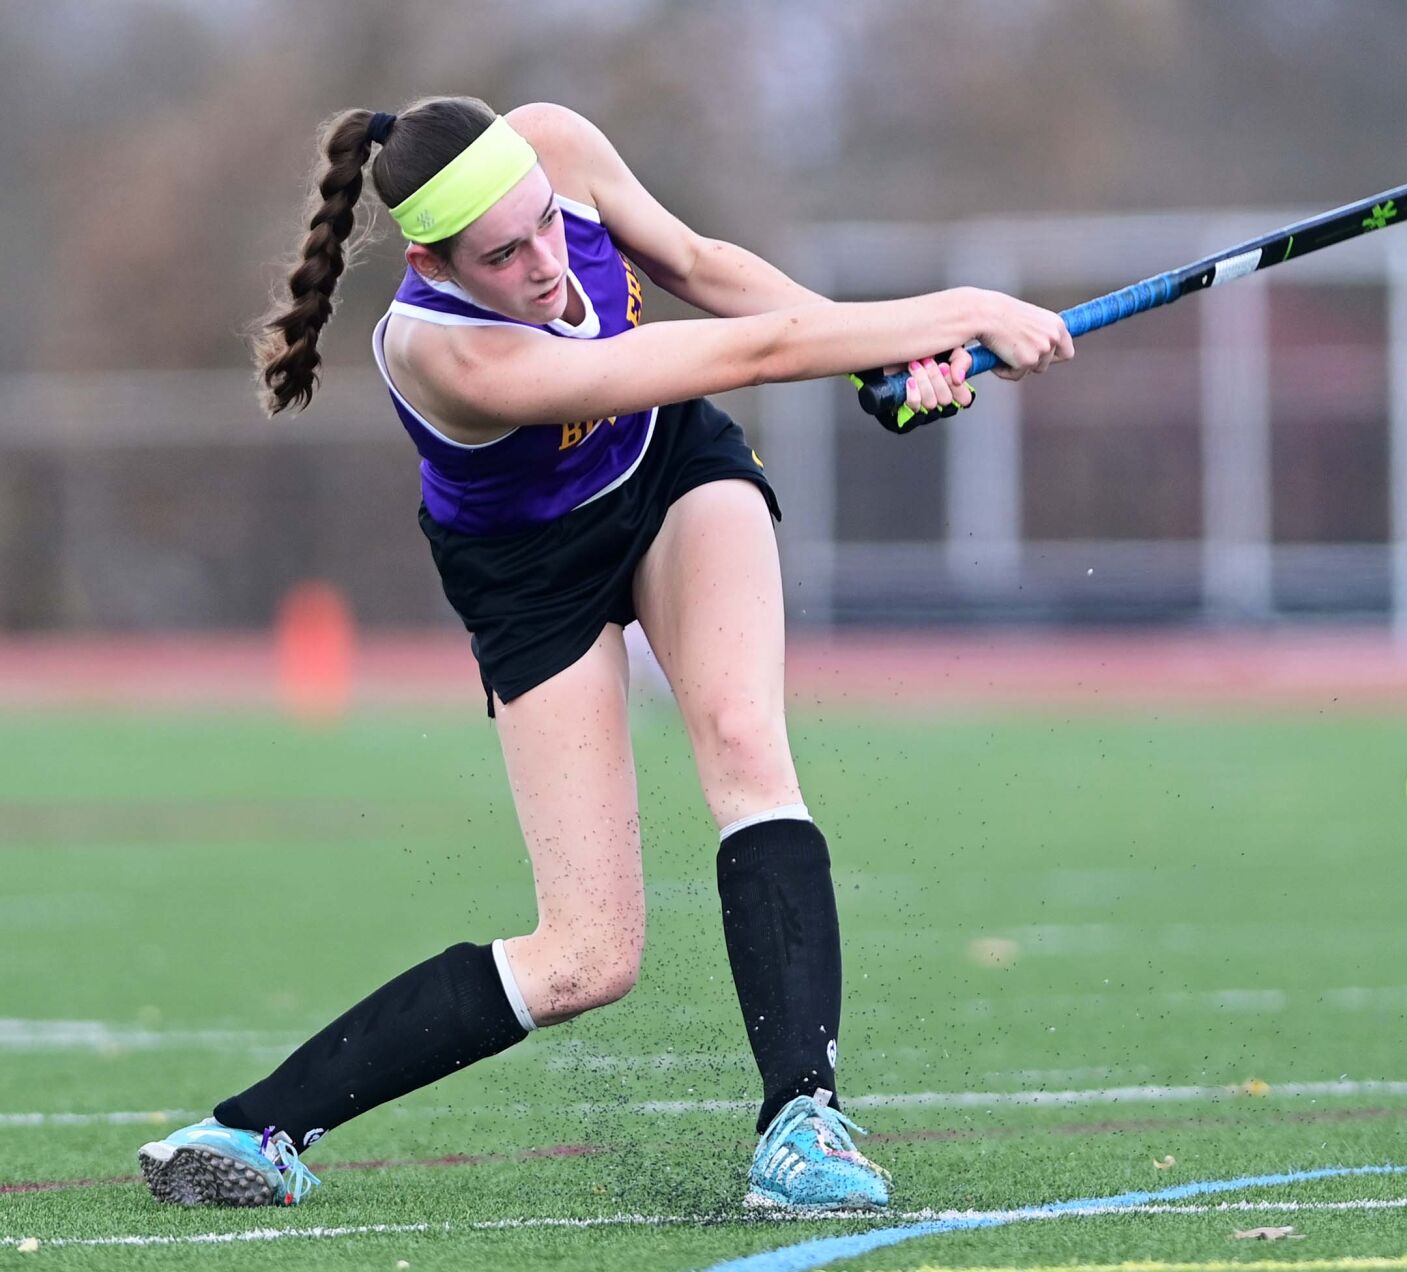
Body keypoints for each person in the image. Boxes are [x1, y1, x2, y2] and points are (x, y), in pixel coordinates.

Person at [137, 96, 1072, 1212]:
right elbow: (753, 351)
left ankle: (800, 1124)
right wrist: (954, 310)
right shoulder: (449, 354)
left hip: (670, 471)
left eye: (544, 223)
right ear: (433, 260)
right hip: (531, 578)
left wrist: (884, 361)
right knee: (587, 958)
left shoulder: (559, 143)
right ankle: (256, 1130)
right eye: (503, 253)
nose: (544, 262)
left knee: (743, 737)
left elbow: (702, 264)